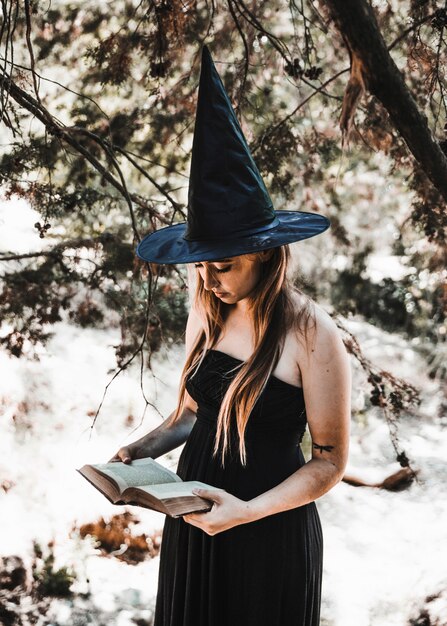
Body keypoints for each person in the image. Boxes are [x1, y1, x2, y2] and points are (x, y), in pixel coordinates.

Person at [110, 47, 351, 626]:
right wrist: (139, 452)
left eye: (223, 265)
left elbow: (330, 460)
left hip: (267, 527)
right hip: (196, 517)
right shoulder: (208, 310)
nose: (208, 279)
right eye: (200, 265)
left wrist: (246, 512)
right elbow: (194, 414)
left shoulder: (312, 334)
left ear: (267, 254)